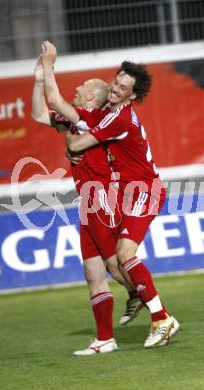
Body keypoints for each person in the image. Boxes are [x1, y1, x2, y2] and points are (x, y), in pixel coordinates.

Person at [40, 41, 180, 352]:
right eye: (116, 81)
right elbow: (63, 124)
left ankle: (162, 317)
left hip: (143, 189)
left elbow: (76, 146)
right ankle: (113, 334)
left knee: (123, 256)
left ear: (132, 95)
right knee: (112, 261)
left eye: (123, 86)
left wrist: (49, 66)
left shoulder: (120, 118)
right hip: (129, 192)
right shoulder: (107, 113)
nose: (116, 87)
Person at [31, 55, 145, 355]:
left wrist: (48, 66)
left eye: (82, 86)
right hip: (87, 200)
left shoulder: (90, 118)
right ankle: (105, 339)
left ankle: (148, 299)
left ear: (91, 97)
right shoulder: (76, 120)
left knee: (112, 262)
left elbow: (54, 100)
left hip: (101, 197)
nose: (77, 88)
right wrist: (39, 81)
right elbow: (39, 114)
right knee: (93, 272)